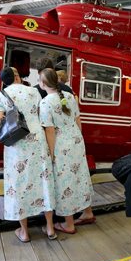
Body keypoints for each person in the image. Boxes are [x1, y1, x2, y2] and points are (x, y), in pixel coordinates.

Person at [0, 67, 56, 241]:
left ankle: (25, 232)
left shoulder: (0, 95)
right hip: (37, 138)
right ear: (17, 77)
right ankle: (50, 228)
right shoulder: (34, 91)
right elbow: (39, 114)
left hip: (16, 143)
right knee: (44, 180)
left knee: (19, 183)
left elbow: (1, 122)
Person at [38, 68, 95, 234]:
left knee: (65, 181)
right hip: (76, 140)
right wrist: (79, 139)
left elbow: (50, 131)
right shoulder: (69, 96)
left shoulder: (45, 102)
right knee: (81, 176)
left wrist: (51, 152)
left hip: (61, 145)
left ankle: (69, 224)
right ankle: (87, 212)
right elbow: (78, 120)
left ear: (42, 84)